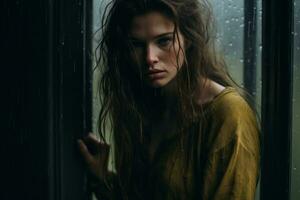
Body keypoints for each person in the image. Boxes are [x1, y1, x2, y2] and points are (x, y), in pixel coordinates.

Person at [77, 0, 260, 199]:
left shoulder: (228, 115)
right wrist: (103, 180)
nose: (149, 58)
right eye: (136, 44)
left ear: (188, 38)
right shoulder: (145, 107)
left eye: (164, 41)